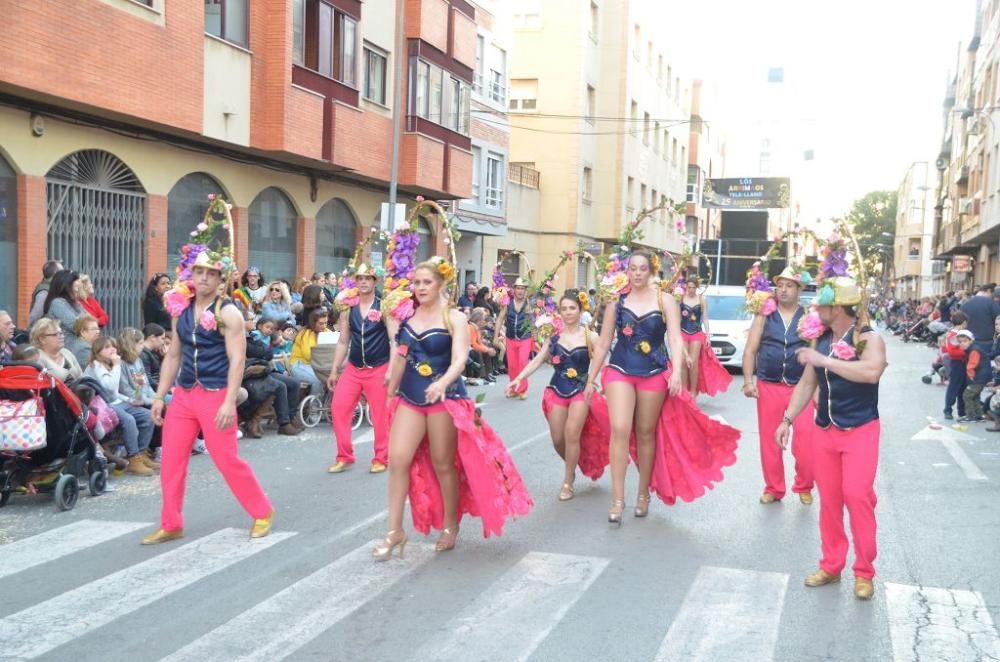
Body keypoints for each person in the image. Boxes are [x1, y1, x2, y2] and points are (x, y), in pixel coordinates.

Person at [375, 258, 533, 560]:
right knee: (397, 460)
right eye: (417, 282)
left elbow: (460, 359)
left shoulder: (455, 319)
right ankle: (394, 530)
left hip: (444, 398)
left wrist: (443, 383)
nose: (420, 288)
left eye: (427, 282)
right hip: (410, 396)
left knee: (442, 462)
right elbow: (400, 356)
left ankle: (450, 523)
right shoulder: (406, 315)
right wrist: (390, 390)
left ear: (441, 285)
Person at [142, 199, 274, 544]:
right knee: (171, 460)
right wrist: (160, 395)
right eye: (198, 271)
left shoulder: (229, 313)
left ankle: (262, 511)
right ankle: (171, 522)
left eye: (210, 273)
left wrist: (230, 402)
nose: (202, 278)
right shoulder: (180, 309)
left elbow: (237, 361)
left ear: (221, 278)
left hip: (216, 395)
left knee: (226, 460)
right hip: (185, 394)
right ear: (191, 273)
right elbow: (173, 355)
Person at [586, 250, 740, 524]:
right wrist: (590, 379)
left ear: (651, 271)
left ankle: (643, 493)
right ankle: (617, 499)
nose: (636, 273)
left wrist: (677, 372)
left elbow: (676, 338)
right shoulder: (616, 303)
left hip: (654, 373)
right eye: (632, 268)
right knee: (620, 429)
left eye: (642, 268)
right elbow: (603, 342)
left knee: (646, 433)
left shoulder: (665, 300)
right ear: (627, 270)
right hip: (620, 369)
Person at [777, 276, 887, 601]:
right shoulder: (821, 339)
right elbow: (807, 385)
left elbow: (871, 372)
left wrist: (825, 361)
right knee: (830, 501)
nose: (817, 308)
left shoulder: (869, 339)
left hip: (860, 430)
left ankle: (864, 571)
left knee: (857, 496)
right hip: (825, 430)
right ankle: (831, 564)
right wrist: (787, 419)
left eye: (822, 304)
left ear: (837, 307)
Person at [507, 289, 610, 500]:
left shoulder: (591, 336)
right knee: (557, 439)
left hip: (581, 391)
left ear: (581, 310)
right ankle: (572, 465)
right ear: (559, 312)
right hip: (556, 389)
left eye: (572, 308)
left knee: (572, 434)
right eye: (564, 308)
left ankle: (567, 481)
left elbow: (603, 360)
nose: (568, 312)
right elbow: (537, 360)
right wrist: (518, 378)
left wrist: (599, 382)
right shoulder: (553, 337)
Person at [742, 266, 815, 505]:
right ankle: (774, 488)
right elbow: (751, 349)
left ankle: (804, 484)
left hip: (800, 387)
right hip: (769, 384)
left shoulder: (809, 316)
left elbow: (817, 355)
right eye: (780, 285)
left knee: (805, 441)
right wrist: (748, 380)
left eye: (789, 285)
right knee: (770, 440)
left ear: (799, 289)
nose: (783, 290)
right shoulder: (765, 313)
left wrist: (818, 389)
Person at [328, 264, 392, 474]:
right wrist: (334, 370)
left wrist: (392, 369)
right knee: (339, 407)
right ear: (355, 282)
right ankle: (344, 456)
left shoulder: (384, 307)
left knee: (380, 415)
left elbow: (394, 340)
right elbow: (343, 341)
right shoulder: (348, 309)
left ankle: (381, 457)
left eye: (368, 278)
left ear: (375, 282)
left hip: (379, 367)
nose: (364, 281)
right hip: (354, 369)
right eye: (360, 278)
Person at [85, 335, 156, 476]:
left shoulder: (109, 363)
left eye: (113, 346)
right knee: (128, 420)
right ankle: (134, 458)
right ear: (97, 351)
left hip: (116, 402)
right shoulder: (96, 365)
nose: (112, 349)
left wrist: (129, 399)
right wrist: (117, 365)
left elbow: (116, 392)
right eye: (106, 347)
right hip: (103, 405)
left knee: (147, 416)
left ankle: (142, 453)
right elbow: (109, 387)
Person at [679, 276, 732, 396]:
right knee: (682, 362)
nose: (691, 290)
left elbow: (705, 318)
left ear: (697, 287)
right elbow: (677, 318)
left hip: (696, 333)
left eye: (693, 287)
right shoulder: (681, 299)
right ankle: (683, 390)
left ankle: (693, 391)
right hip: (682, 331)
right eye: (689, 287)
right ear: (686, 287)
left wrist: (707, 336)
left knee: (693, 362)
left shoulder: (702, 299)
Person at [496, 277, 533, 399]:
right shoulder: (507, 303)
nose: (520, 291)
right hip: (510, 337)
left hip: (525, 338)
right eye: (518, 288)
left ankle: (522, 390)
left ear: (525, 290)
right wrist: (495, 336)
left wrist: (538, 338)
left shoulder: (529, 304)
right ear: (513, 290)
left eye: (522, 288)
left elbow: (537, 321)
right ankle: (513, 389)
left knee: (522, 362)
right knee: (512, 365)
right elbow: (500, 318)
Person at [43, 269, 86, 350]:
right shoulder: (57, 303)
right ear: (65, 283)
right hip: (69, 347)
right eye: (75, 280)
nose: (79, 283)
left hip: (81, 345)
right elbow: (75, 325)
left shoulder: (75, 302)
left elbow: (91, 321)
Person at [30, 317, 83, 382]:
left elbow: (81, 376)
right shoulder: (37, 358)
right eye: (56, 334)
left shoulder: (66, 352)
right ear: (42, 339)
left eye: (61, 333)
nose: (62, 336)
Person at [290, 307, 328, 396]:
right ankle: (314, 408)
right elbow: (309, 355)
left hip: (317, 366)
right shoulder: (305, 334)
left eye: (326, 323)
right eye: (321, 323)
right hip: (300, 365)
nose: (324, 326)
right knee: (318, 380)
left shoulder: (326, 331)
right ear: (313, 323)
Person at [956, 330, 989, 422]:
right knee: (975, 396)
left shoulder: (974, 350)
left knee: (967, 395)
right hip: (982, 376)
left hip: (978, 377)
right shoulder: (972, 349)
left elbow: (972, 364)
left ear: (971, 340)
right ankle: (978, 415)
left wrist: (970, 375)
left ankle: (970, 415)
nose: (962, 343)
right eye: (960, 342)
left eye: (965, 341)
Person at [942, 312, 969, 420]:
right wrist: (966, 351)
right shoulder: (954, 334)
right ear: (963, 322)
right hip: (957, 362)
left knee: (963, 387)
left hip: (962, 362)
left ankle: (962, 411)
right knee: (954, 386)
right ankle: (948, 409)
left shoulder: (956, 333)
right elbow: (953, 352)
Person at [28, 259, 64, 328]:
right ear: (55, 273)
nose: (63, 274)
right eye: (61, 271)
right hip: (43, 332)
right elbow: (35, 315)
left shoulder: (52, 287)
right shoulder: (44, 291)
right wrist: (31, 330)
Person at [466, 308, 496, 385]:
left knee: (486, 349)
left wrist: (487, 349)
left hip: (472, 347)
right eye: (483, 320)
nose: (485, 322)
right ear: (478, 321)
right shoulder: (471, 327)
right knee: (479, 352)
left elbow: (479, 343)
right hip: (468, 348)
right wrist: (486, 350)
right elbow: (473, 344)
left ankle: (488, 373)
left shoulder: (477, 328)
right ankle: (481, 376)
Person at [140, 323, 167, 392]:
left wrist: (164, 357)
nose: (163, 342)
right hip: (152, 392)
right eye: (162, 338)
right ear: (152, 338)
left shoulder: (154, 352)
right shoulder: (144, 355)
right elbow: (148, 379)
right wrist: (166, 390)